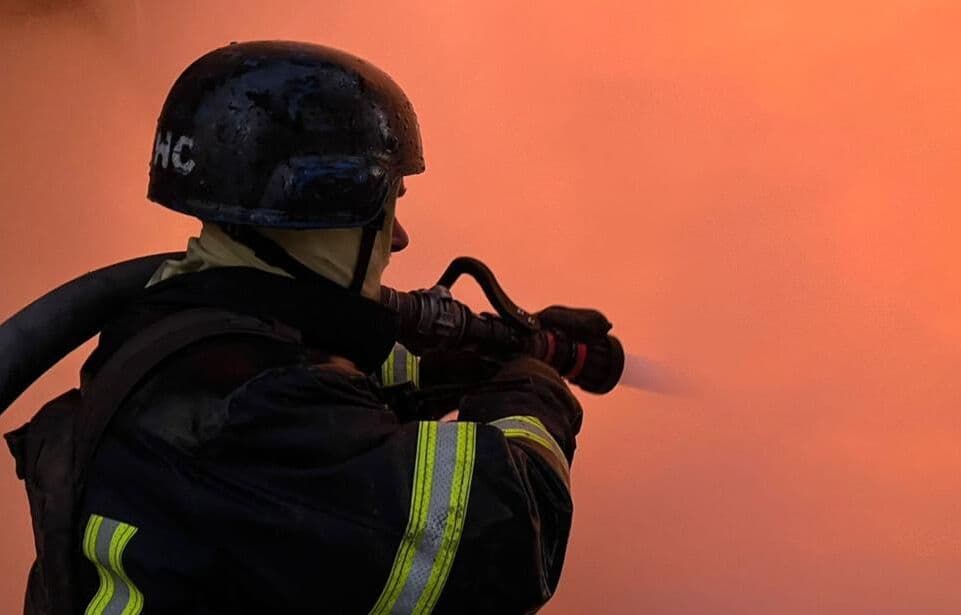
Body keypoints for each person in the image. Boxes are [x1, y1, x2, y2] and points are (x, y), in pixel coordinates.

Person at [65, 40, 584, 614]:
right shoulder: (260, 412)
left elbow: (331, 370)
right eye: (389, 205)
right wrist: (534, 394)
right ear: (330, 198)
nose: (399, 237)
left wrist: (469, 361)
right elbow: (509, 539)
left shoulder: (172, 323)